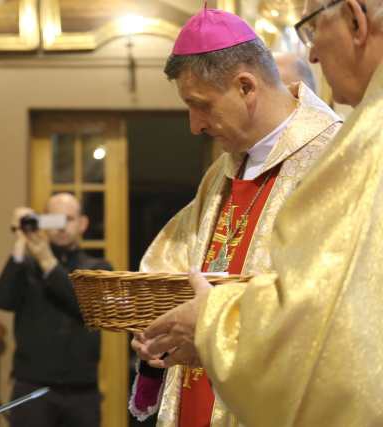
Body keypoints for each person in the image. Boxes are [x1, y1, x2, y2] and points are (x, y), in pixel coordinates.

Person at [140, 1, 383, 425]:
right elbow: (172, 262)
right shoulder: (221, 172)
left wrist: (213, 321)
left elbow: (330, 315)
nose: (194, 126)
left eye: (201, 105)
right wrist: (157, 322)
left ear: (247, 88)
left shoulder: (337, 156)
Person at [0, 192, 111, 427]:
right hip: (32, 388)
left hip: (82, 392)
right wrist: (20, 241)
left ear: (82, 224)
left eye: (68, 218)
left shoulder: (98, 267)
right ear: (43, 222)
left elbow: (89, 307)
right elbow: (2, 300)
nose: (61, 227)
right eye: (54, 220)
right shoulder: (26, 266)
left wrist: (48, 262)